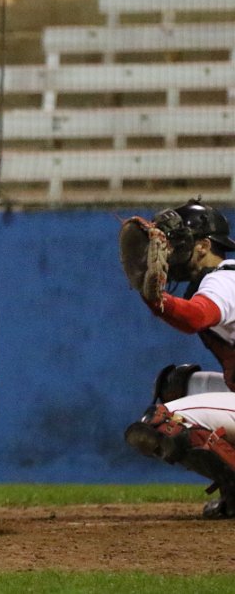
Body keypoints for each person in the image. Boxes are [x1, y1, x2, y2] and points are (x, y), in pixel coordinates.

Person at [123, 199, 235, 519]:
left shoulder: (223, 279)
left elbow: (195, 317)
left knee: (164, 423)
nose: (169, 252)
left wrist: (156, 298)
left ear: (203, 246)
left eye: (179, 243)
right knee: (177, 386)